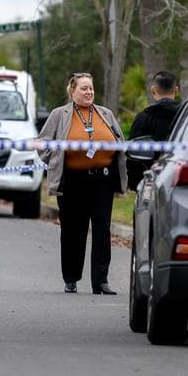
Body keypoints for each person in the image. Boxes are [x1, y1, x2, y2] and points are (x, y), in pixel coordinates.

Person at [37, 73, 128, 294]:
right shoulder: (60, 114)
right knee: (72, 229)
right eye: (84, 89)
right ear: (72, 91)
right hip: (72, 180)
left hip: (102, 180)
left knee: (102, 228)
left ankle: (101, 281)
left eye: (91, 88)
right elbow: (41, 143)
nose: (89, 92)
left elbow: (120, 140)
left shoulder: (105, 113)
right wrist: (58, 154)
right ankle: (71, 277)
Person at [126, 70, 179, 188]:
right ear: (176, 90)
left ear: (153, 90)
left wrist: (134, 183)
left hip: (148, 182)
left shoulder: (143, 118)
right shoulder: (187, 116)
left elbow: (133, 154)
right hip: (180, 180)